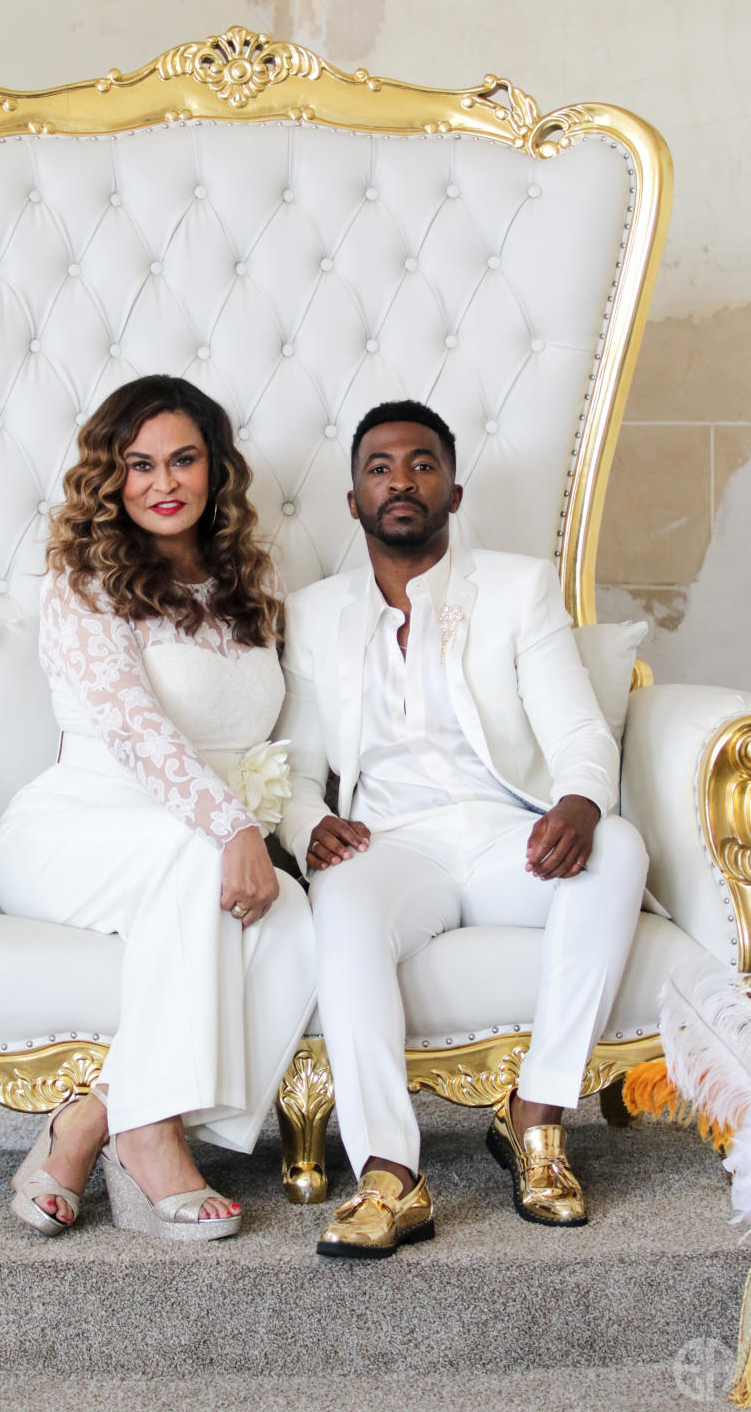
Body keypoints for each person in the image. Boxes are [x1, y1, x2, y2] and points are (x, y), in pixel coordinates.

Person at [275, 399, 649, 1259]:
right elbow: (296, 765)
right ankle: (390, 1175)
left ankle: (537, 1121)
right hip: (388, 842)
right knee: (340, 902)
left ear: (452, 488)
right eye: (380, 467)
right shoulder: (314, 613)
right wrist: (307, 826)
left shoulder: (518, 589)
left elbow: (580, 733)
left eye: (421, 464)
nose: (401, 481)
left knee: (621, 846)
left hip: (503, 835)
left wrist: (582, 802)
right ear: (353, 498)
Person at [0, 375, 315, 1243]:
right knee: (198, 860)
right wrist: (235, 828)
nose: (161, 482)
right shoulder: (82, 576)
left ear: (215, 471)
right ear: (111, 476)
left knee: (295, 924)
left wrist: (273, 831)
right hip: (72, 830)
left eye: (182, 459)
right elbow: (134, 730)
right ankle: (150, 1134)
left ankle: (90, 1120)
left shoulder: (249, 576)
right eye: (138, 464)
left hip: (193, 834)